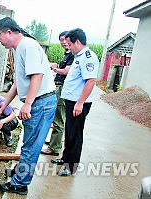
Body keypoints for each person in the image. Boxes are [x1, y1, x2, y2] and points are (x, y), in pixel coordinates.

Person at [0, 17, 57, 195]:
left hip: (40, 102)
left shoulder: (27, 46)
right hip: (38, 102)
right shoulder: (19, 48)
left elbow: (37, 75)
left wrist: (27, 104)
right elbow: (18, 82)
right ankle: (20, 172)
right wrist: (3, 104)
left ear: (9, 32)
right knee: (28, 142)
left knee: (32, 145)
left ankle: (19, 184)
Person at [51, 28, 99, 176]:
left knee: (75, 134)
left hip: (78, 103)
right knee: (69, 132)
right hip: (71, 101)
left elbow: (91, 81)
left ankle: (71, 166)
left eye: (70, 44)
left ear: (77, 42)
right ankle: (66, 158)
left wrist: (80, 103)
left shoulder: (88, 57)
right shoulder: (78, 56)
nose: (68, 47)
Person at [41, 31, 74, 156]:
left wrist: (54, 68)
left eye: (66, 39)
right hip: (59, 87)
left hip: (62, 89)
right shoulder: (67, 54)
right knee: (57, 118)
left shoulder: (72, 55)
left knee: (58, 119)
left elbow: (66, 72)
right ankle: (55, 144)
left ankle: (54, 148)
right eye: (61, 40)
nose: (64, 42)